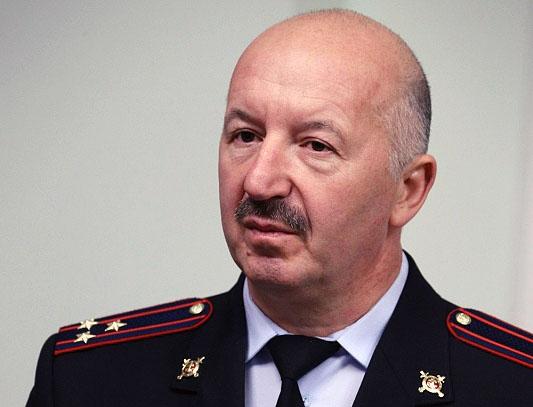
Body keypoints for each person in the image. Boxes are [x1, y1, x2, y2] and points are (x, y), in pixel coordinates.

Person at [27, 9, 532, 407]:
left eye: (316, 146)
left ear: (408, 189)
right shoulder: (87, 378)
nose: (259, 181)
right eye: (245, 136)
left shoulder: (511, 387)